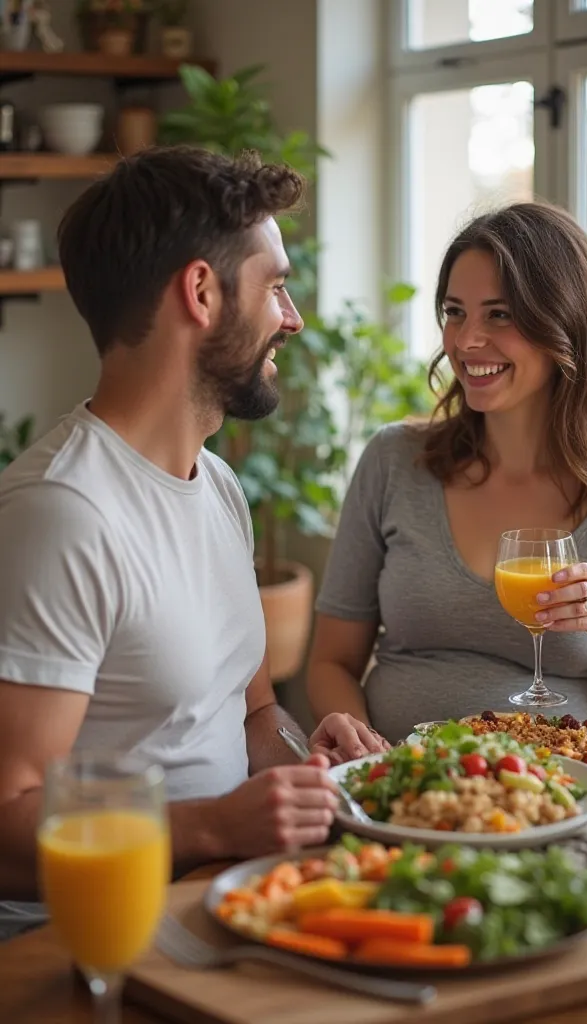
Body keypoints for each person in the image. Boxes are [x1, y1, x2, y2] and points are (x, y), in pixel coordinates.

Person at [0, 146, 386, 940]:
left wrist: (300, 766)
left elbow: (251, 713)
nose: (294, 317)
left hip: (218, 897)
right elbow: (9, 816)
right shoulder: (62, 515)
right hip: (75, 936)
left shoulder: (215, 486)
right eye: (276, 285)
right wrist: (214, 826)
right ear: (202, 292)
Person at [307, 201, 587, 744]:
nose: (465, 342)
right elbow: (331, 662)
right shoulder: (394, 461)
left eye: (500, 315)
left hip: (562, 794)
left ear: (565, 322)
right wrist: (365, 748)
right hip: (406, 787)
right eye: (455, 311)